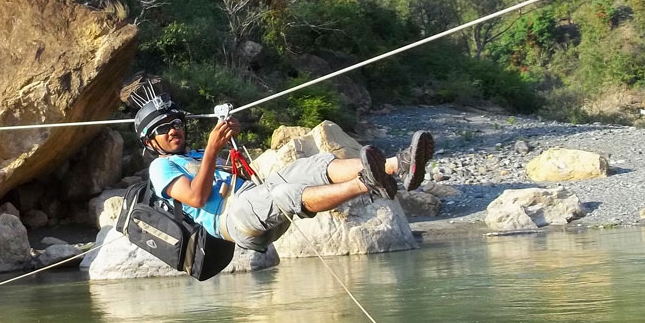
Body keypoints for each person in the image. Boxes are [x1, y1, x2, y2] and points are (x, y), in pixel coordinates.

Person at [134, 94, 434, 252]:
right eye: (163, 129)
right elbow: (197, 198)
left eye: (176, 124)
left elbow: (236, 170)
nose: (173, 130)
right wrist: (213, 147)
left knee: (310, 165)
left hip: (252, 197)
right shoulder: (160, 167)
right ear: (151, 141)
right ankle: (367, 184)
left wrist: (228, 140)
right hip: (232, 218)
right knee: (286, 194)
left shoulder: (195, 155)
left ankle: (399, 164)